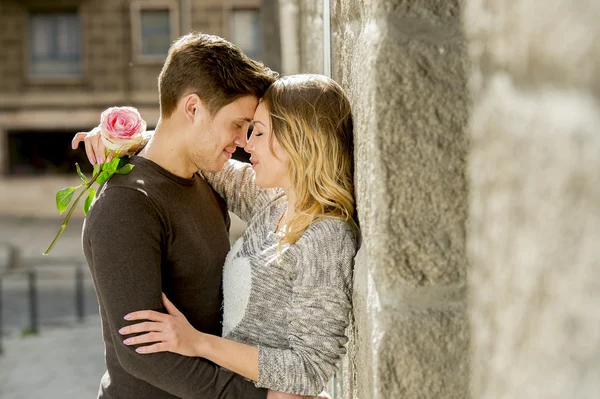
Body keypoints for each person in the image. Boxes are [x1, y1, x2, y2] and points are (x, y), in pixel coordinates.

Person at [76, 74, 358, 397]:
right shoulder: (274, 201)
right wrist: (122, 139)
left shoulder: (327, 238)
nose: (246, 143)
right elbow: (187, 148)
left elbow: (309, 370)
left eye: (258, 131)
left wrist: (197, 343)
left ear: (298, 141)